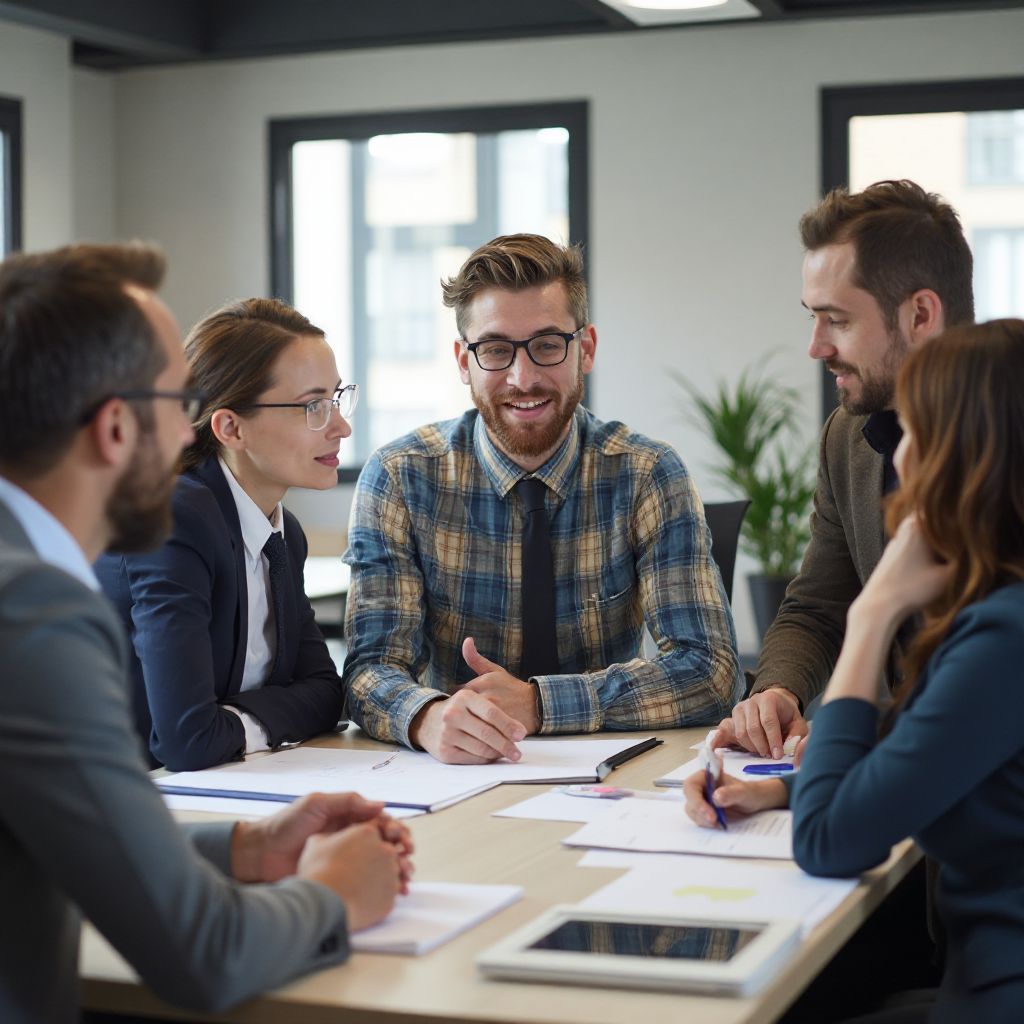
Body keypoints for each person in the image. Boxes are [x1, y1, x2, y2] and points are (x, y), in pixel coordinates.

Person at [0, 243, 412, 1023]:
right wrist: (331, 895)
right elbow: (205, 954)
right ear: (118, 428)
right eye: (177, 403)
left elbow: (54, 838)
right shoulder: (30, 614)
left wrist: (245, 850)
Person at [343, 233, 741, 765]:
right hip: (455, 774)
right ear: (464, 362)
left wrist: (539, 703)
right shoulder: (401, 478)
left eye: (548, 345)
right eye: (495, 349)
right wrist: (427, 718)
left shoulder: (646, 474)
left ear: (587, 350)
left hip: (612, 777)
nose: (523, 377)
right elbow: (369, 670)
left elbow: (710, 671)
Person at [787, 318, 1024, 1021]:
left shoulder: (1003, 636)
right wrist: (787, 788)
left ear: (965, 454)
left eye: (914, 429)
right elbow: (944, 754)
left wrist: (872, 615)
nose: (899, 456)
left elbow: (827, 842)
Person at [718, 179, 974, 761]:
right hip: (913, 811)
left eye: (836, 320)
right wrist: (777, 691)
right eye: (812, 317)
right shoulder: (850, 438)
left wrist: (855, 746)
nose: (816, 346)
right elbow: (820, 602)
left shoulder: (1005, 441)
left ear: (921, 315)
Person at [97, 298, 354, 770]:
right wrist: (264, 720)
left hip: (214, 789)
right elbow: (186, 741)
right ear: (231, 427)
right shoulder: (172, 519)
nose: (341, 426)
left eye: (336, 399)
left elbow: (327, 693)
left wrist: (231, 724)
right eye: (313, 406)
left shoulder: (282, 536)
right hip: (102, 807)